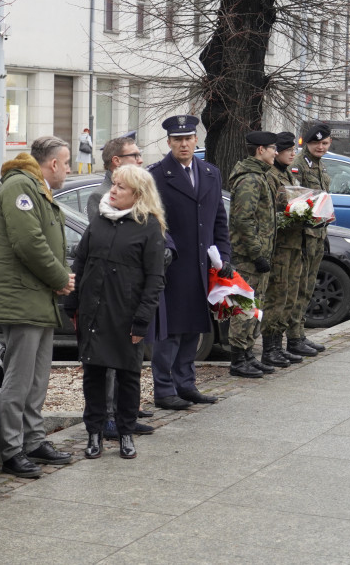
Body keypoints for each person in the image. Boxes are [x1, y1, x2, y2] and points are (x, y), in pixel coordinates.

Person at [0, 135, 75, 478]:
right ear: (53, 163)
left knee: (37, 378)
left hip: (38, 298)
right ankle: (11, 450)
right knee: (19, 379)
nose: (68, 170)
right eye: (66, 164)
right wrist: (59, 277)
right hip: (24, 297)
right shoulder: (19, 187)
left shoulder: (35, 187)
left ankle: (33, 441)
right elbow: (29, 242)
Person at [66, 164, 166, 460]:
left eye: (121, 187)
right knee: (93, 375)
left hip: (126, 315)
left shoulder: (149, 226)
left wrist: (142, 320)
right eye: (114, 184)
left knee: (128, 376)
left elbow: (155, 279)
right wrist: (72, 303)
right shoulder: (99, 220)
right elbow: (80, 262)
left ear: (137, 194)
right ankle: (94, 433)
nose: (113, 190)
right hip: (93, 311)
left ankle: (125, 432)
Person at [148, 115, 230, 409]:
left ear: (197, 141)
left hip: (202, 265)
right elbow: (154, 221)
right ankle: (164, 388)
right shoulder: (156, 175)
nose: (184, 144)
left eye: (188, 139)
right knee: (169, 331)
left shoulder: (210, 173)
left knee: (194, 326)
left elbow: (218, 219)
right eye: (177, 140)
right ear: (169, 143)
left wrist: (225, 256)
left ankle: (186, 383)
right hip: (173, 264)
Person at [82, 133, 154, 439]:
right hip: (107, 295)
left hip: (128, 293)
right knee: (104, 363)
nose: (140, 159)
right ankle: (108, 418)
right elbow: (92, 250)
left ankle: (124, 413)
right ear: (116, 162)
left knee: (126, 362)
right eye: (134, 155)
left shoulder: (143, 206)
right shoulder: (102, 198)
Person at [227, 131, 280, 378]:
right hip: (247, 257)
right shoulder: (250, 179)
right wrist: (257, 253)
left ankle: (248, 354)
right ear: (261, 150)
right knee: (244, 307)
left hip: (257, 255)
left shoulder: (260, 176)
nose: (276, 153)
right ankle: (238, 359)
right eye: (273, 148)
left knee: (254, 306)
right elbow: (243, 220)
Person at [259, 131, 306, 369]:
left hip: (293, 243)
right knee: (276, 297)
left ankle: (278, 345)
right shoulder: (271, 176)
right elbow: (274, 209)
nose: (292, 154)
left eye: (293, 151)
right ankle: (270, 348)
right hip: (280, 245)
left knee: (288, 295)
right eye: (289, 151)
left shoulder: (287, 174)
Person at [288, 124, 333, 356]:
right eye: (317, 143)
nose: (321, 147)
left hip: (318, 234)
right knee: (300, 287)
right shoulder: (299, 166)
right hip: (304, 236)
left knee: (308, 287)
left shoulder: (320, 165)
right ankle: (293, 338)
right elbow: (296, 202)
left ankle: (300, 333)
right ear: (307, 143)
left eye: (325, 143)